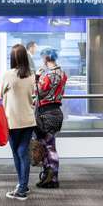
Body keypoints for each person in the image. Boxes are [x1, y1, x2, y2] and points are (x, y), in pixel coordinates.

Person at [2, 44, 36, 201]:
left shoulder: (9, 75)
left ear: (12, 58)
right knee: (23, 153)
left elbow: (0, 93)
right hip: (28, 120)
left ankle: (22, 188)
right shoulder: (31, 75)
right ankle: (23, 184)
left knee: (17, 153)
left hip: (12, 121)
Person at [34, 47, 67, 189]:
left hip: (46, 113)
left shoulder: (48, 76)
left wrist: (36, 78)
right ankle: (49, 177)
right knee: (49, 146)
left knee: (48, 147)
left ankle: (52, 178)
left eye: (42, 58)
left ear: (46, 58)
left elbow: (38, 92)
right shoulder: (62, 73)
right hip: (56, 111)